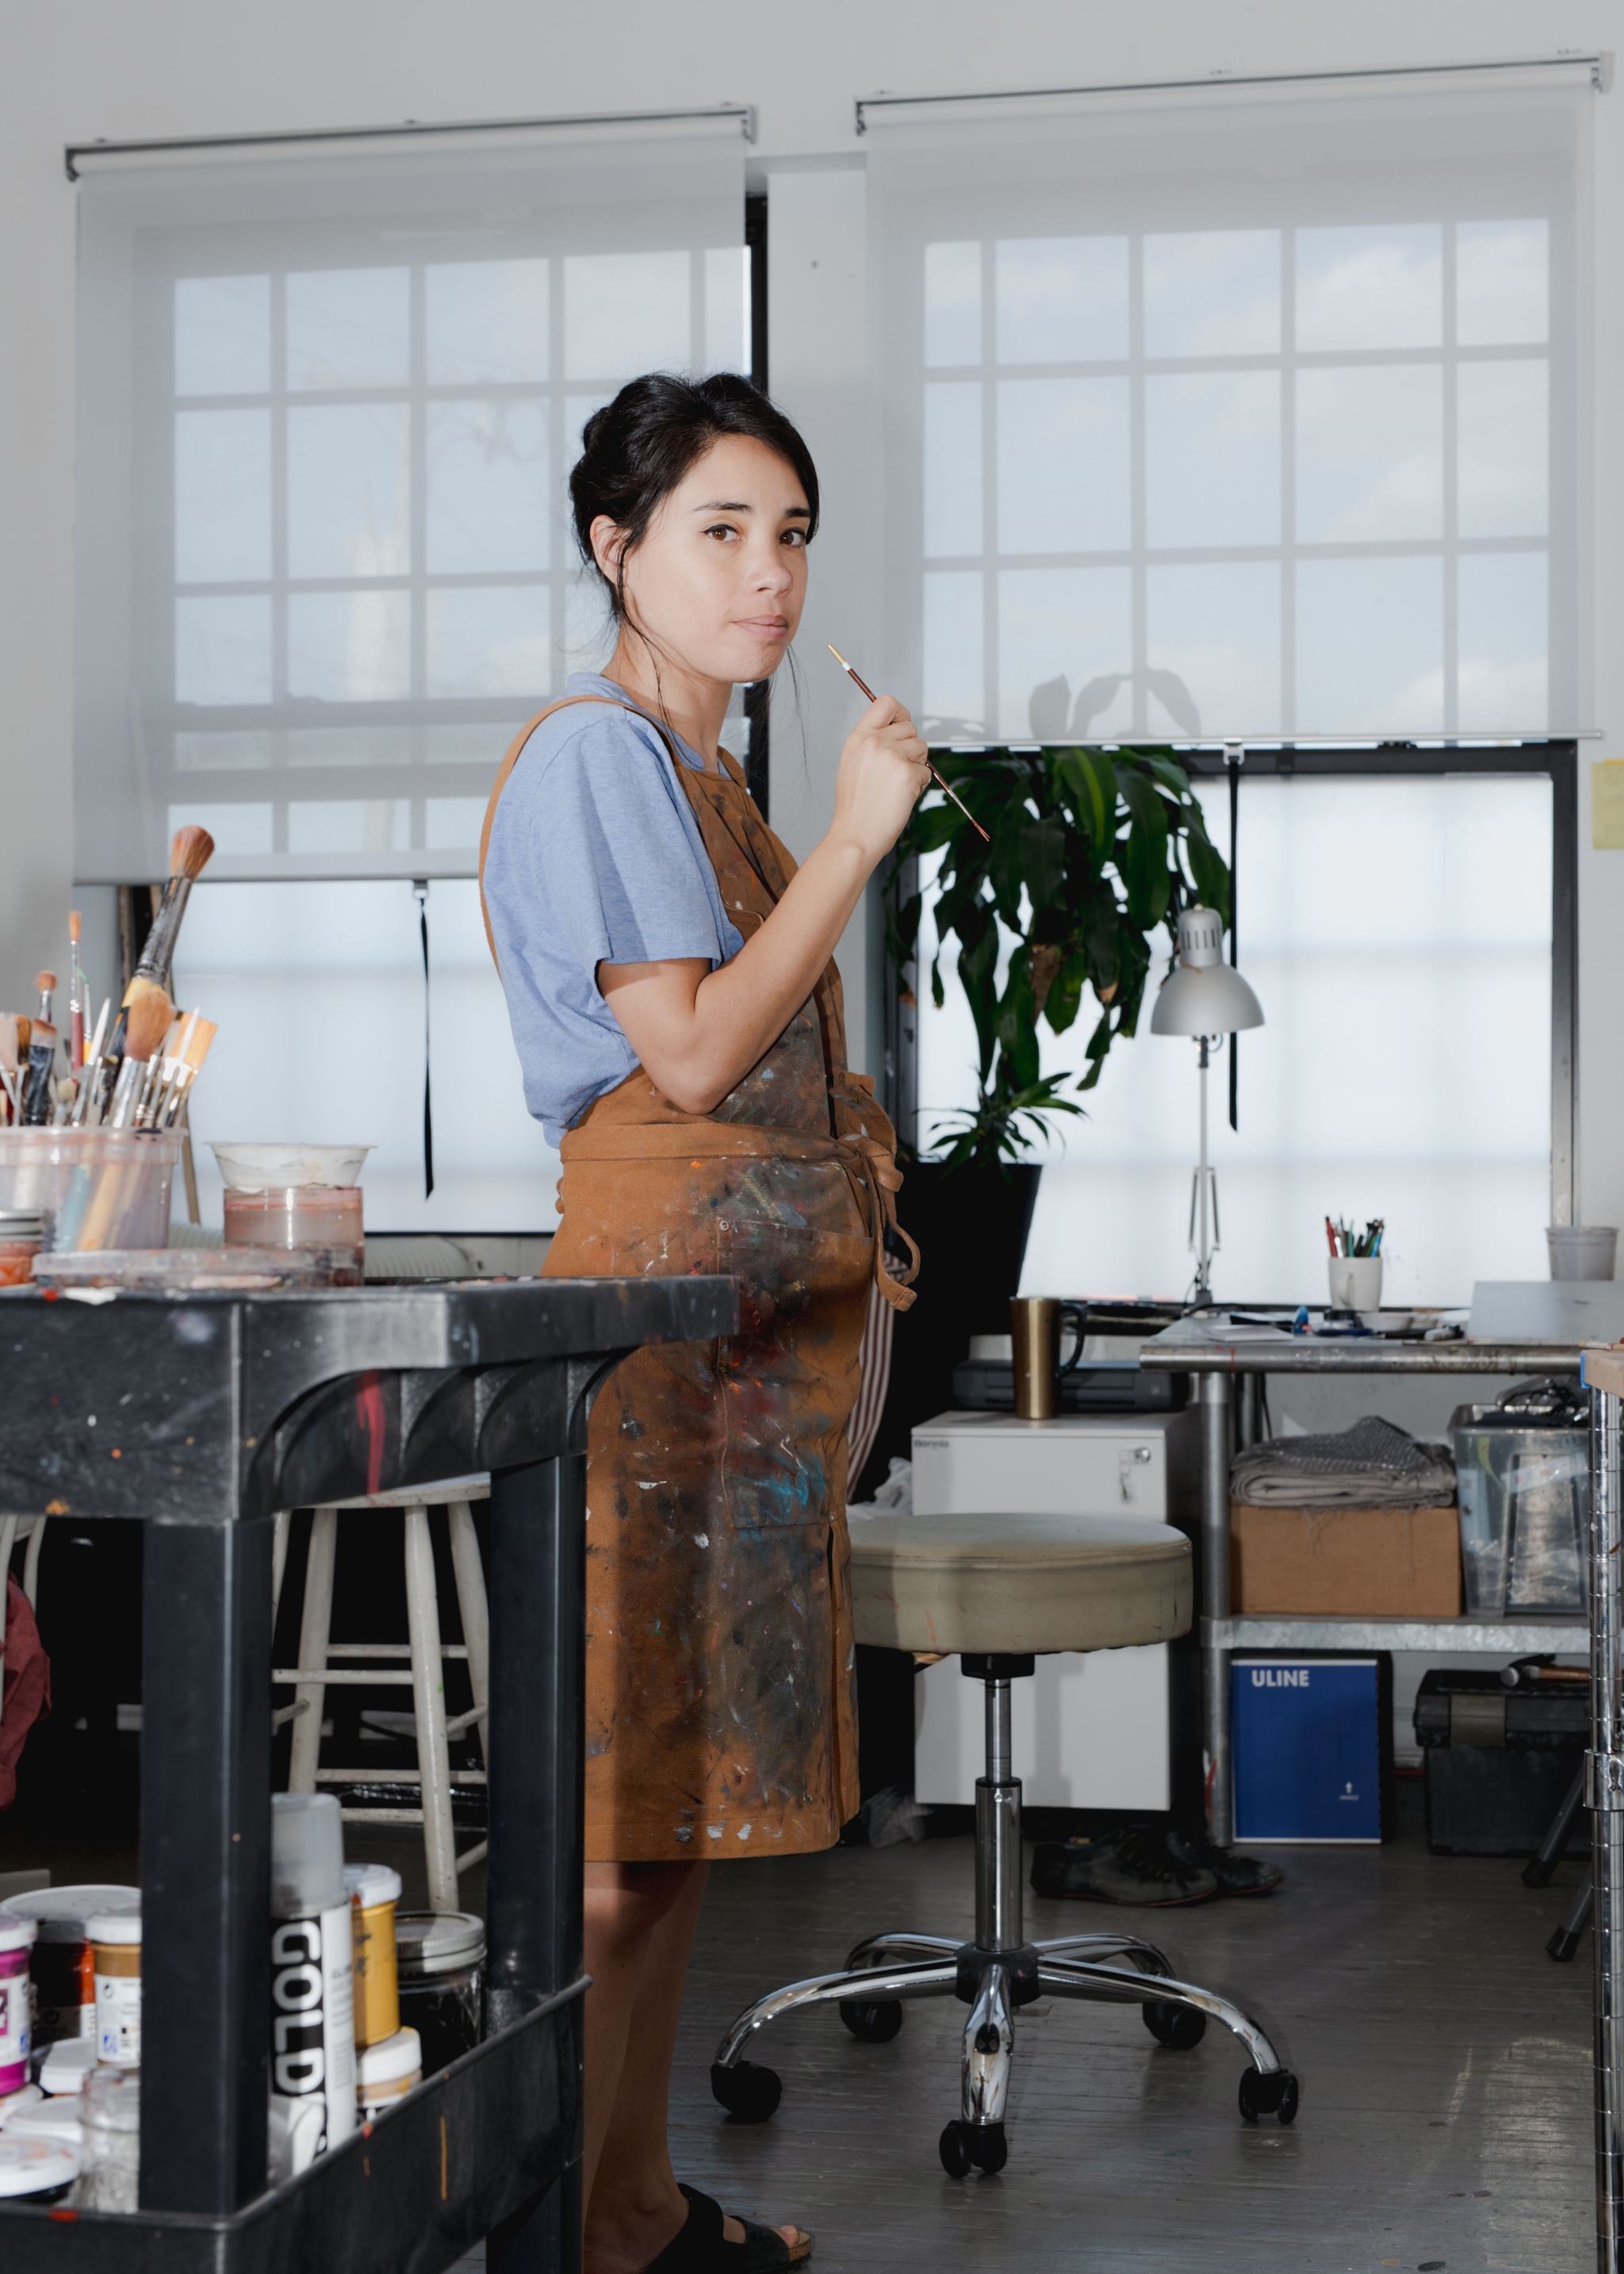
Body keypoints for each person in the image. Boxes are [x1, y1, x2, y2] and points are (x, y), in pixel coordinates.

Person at [481, 371, 928, 2274]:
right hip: (650, 1351)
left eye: (794, 534)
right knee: (606, 1829)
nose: (770, 575)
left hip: (734, 1359)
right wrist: (853, 844)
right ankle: (563, 2230)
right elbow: (690, 1049)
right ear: (617, 549)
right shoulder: (599, 753)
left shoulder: (703, 772)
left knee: (658, 1827)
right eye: (722, 532)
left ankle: (630, 2215)